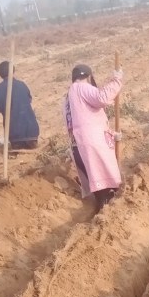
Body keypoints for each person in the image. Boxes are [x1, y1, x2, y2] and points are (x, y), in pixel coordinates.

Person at [63, 63, 123, 212]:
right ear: (88, 76)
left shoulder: (68, 96)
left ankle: (101, 206)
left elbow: (84, 119)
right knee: (105, 182)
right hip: (91, 143)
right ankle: (106, 210)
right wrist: (116, 81)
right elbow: (102, 98)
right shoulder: (82, 88)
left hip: (78, 144)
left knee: (97, 183)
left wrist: (112, 134)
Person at [0, 61, 39, 150]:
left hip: (14, 135)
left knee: (17, 145)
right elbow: (29, 99)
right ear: (13, 70)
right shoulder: (22, 85)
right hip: (32, 132)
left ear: (0, 74)